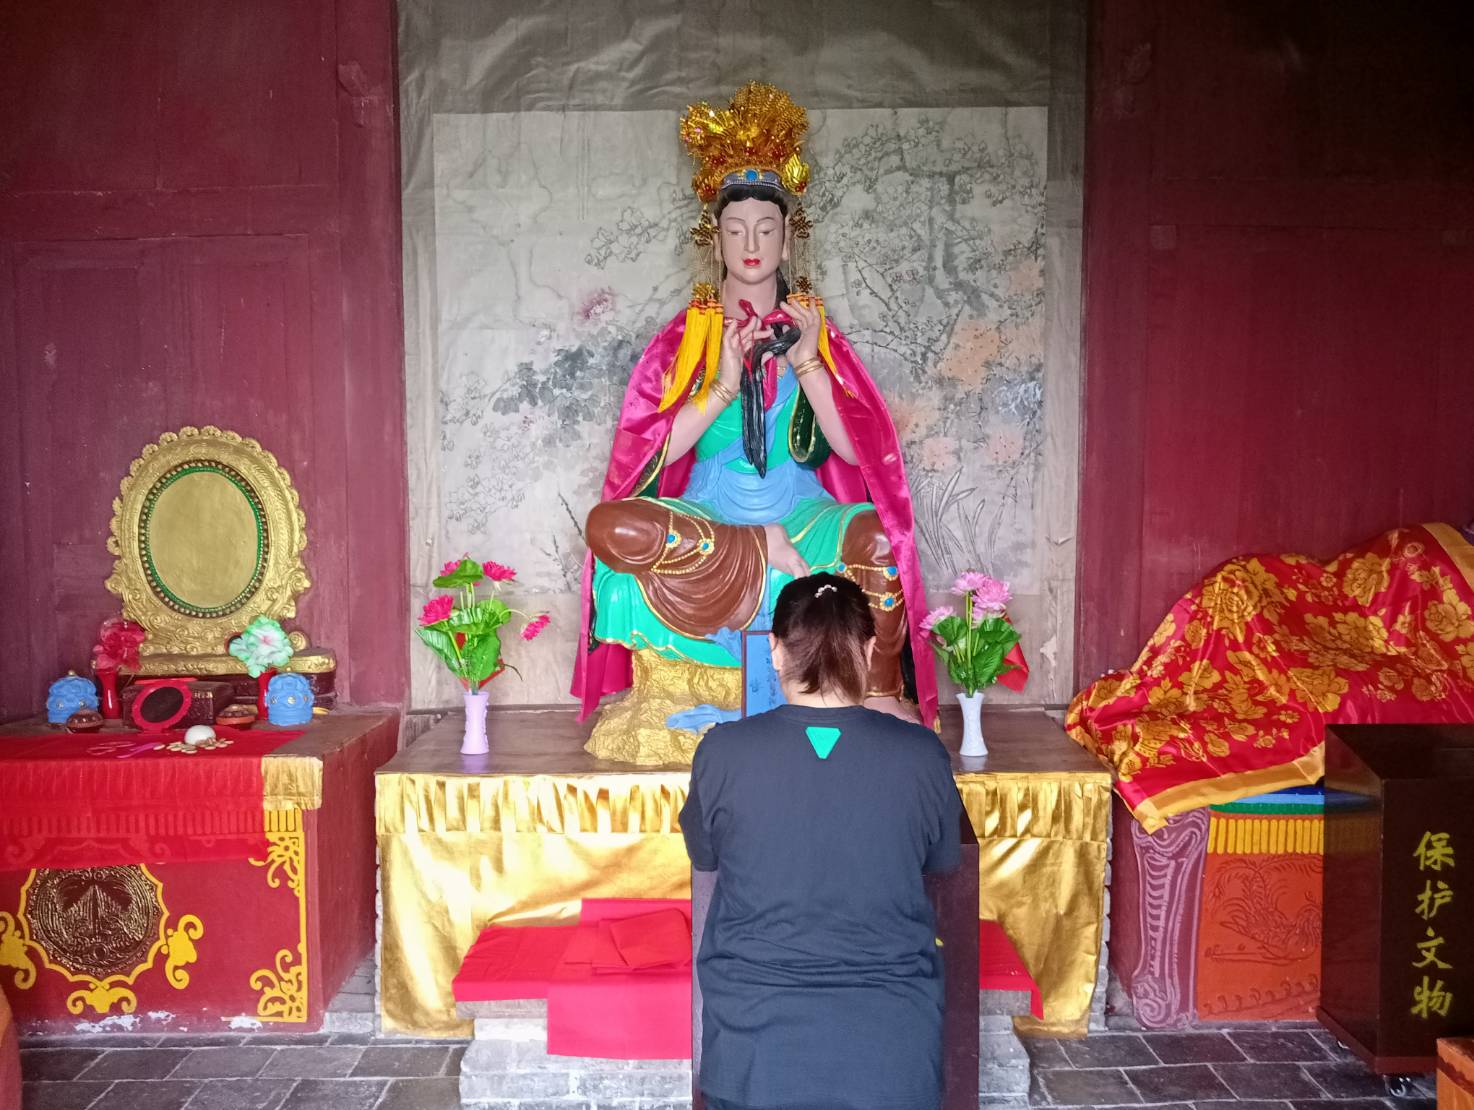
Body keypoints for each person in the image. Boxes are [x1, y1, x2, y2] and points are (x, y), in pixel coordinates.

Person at [574, 83, 937, 742]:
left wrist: (807, 362)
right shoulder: (688, 338)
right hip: (710, 516)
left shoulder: (812, 332)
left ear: (787, 242)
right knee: (608, 526)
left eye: (766, 229)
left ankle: (881, 691)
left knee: (878, 540)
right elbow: (652, 454)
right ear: (714, 241)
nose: (751, 243)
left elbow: (855, 453)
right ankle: (757, 547)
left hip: (802, 514)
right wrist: (721, 384)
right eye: (736, 229)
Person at [680, 572, 963, 1110]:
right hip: (892, 1048)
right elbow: (942, 858)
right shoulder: (920, 754)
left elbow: (704, 854)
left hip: (754, 1050)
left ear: (775, 651)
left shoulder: (723, 751)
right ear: (870, 651)